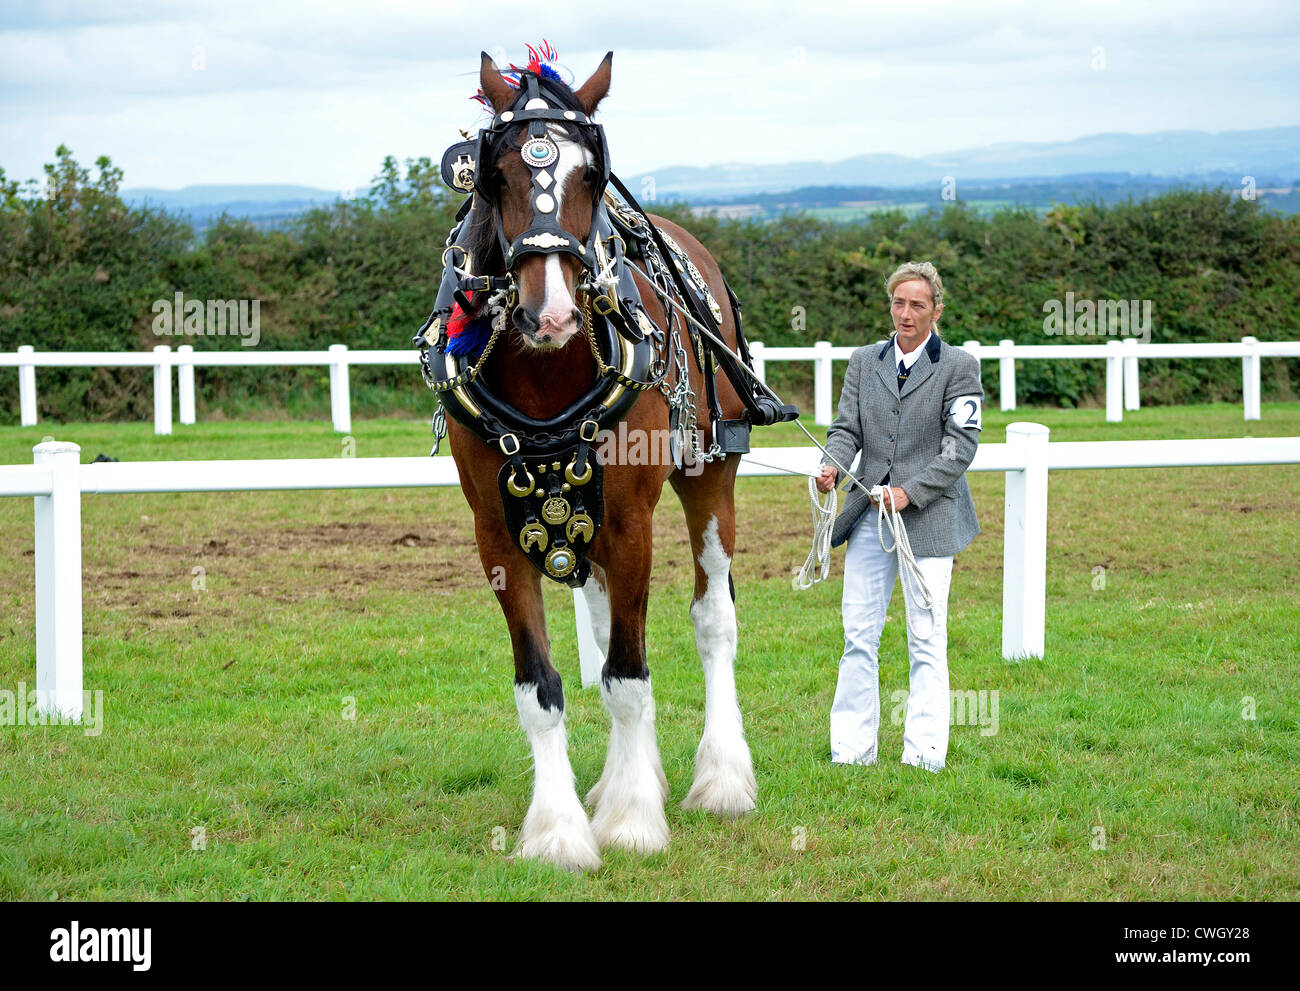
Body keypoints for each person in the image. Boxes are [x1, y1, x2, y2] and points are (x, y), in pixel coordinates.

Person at [815, 261, 983, 771]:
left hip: (928, 522)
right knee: (857, 635)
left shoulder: (959, 366)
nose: (905, 313)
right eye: (898, 303)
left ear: (935, 310)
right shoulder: (865, 361)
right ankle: (850, 751)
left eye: (916, 304)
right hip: (868, 517)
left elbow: (961, 448)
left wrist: (911, 492)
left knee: (926, 639)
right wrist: (831, 465)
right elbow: (848, 430)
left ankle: (925, 755)